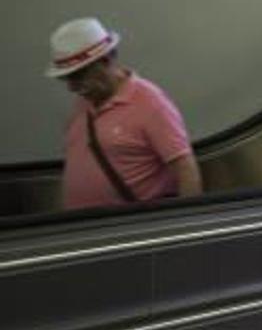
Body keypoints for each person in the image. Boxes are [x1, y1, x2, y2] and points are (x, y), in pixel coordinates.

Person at [46, 18, 202, 209]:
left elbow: (185, 169)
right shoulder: (83, 104)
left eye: (78, 75)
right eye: (67, 78)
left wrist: (183, 225)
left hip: (131, 230)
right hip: (83, 230)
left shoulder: (149, 102)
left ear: (105, 60)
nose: (71, 87)